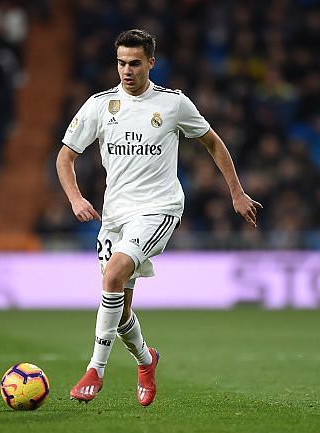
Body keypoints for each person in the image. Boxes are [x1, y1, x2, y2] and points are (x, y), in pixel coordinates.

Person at [56, 29, 262, 406]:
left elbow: (212, 142)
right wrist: (75, 198)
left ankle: (95, 370)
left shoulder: (173, 104)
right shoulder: (100, 105)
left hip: (159, 208)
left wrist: (236, 192)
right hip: (115, 215)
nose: (127, 71)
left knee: (113, 273)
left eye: (135, 63)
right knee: (119, 310)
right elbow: (65, 156)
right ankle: (147, 360)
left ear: (151, 62)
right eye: (121, 63)